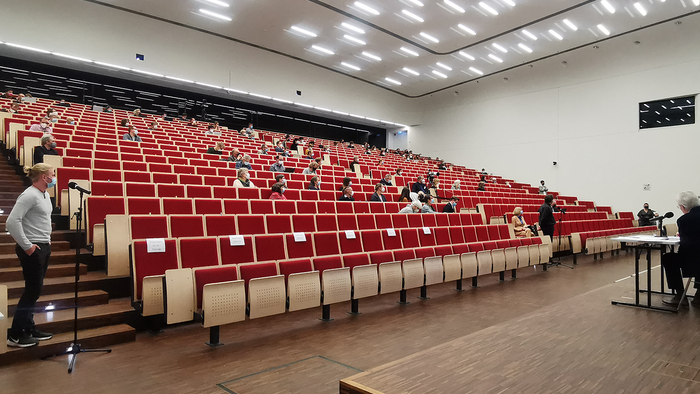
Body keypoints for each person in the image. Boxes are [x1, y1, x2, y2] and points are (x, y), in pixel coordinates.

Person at [6, 163, 56, 347]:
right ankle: (15, 335)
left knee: (35, 291)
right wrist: (27, 246)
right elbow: (12, 222)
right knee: (31, 291)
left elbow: (41, 221)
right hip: (32, 249)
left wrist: (47, 239)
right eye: (52, 174)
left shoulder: (44, 194)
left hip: (43, 246)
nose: (54, 177)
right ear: (44, 177)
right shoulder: (29, 195)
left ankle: (29, 327)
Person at [660, 191, 700, 305]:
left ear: (682, 207)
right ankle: (699, 294)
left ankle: (680, 295)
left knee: (668, 258)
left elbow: (687, 244)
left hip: (693, 261)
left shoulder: (684, 220)